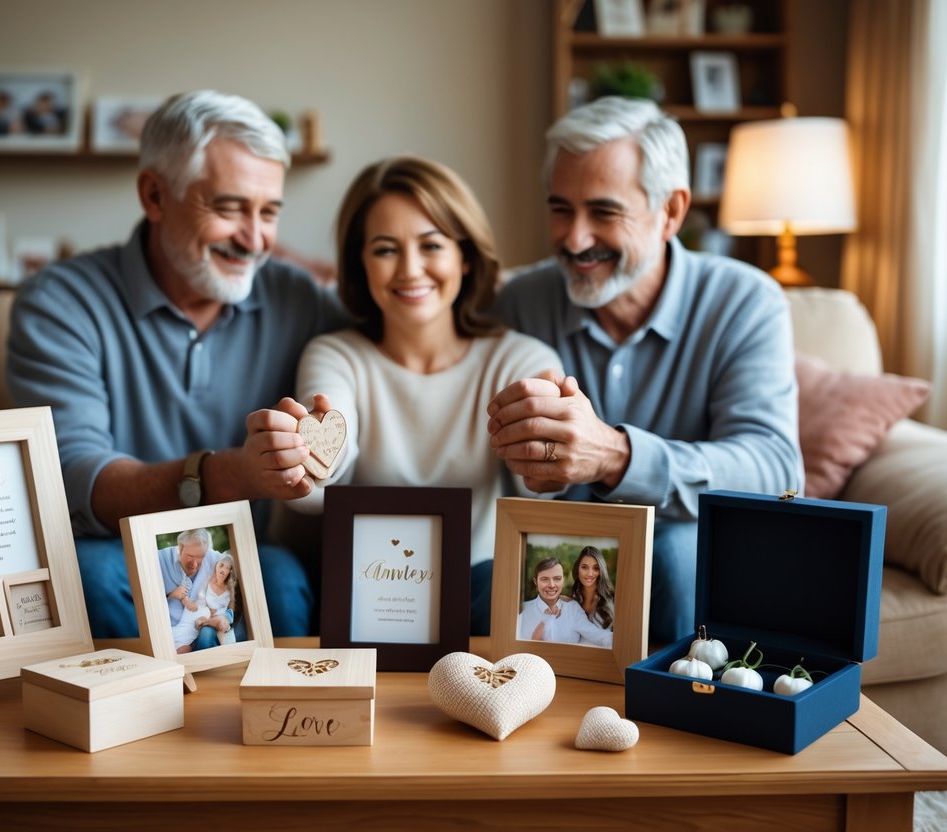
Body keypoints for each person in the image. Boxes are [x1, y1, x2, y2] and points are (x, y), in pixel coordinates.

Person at [7, 90, 348, 639]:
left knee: (280, 581)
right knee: (92, 578)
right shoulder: (60, 300)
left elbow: (393, 340)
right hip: (109, 549)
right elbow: (73, 474)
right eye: (231, 207)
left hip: (241, 547)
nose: (256, 239)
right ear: (154, 194)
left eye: (269, 213)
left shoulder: (298, 298)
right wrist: (233, 473)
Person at [487, 96, 803, 643]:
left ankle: (679, 717)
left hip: (683, 557)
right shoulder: (520, 302)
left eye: (604, 213)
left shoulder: (745, 301)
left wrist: (616, 456)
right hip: (556, 554)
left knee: (677, 553)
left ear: (672, 212)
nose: (575, 238)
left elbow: (776, 468)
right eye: (560, 208)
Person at [290, 155, 562, 635]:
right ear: (360, 262)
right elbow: (322, 474)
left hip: (477, 581)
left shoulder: (518, 360)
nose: (410, 270)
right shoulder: (335, 355)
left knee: (500, 586)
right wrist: (310, 463)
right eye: (385, 249)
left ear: (466, 256)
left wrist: (548, 455)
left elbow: (541, 486)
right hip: (366, 582)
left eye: (431, 245)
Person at [158, 528, 229, 651]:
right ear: (180, 547)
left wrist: (223, 615)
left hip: (202, 624)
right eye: (190, 556)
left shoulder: (216, 560)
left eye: (200, 558)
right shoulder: (159, 558)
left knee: (204, 636)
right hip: (170, 629)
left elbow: (235, 561)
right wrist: (170, 594)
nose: (195, 564)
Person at [516, 557, 612, 647]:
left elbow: (597, 635)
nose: (552, 585)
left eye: (557, 579)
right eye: (545, 579)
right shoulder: (521, 610)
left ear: (563, 580)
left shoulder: (573, 609)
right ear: (535, 581)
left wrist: (621, 640)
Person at [173, 552, 238, 652]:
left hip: (217, 616)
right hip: (203, 611)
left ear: (230, 571)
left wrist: (214, 616)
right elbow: (200, 596)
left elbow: (227, 610)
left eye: (227, 568)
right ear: (216, 565)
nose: (223, 570)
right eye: (221, 565)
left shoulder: (229, 589)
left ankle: (204, 624)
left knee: (221, 622)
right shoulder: (208, 580)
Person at [568, 546, 614, 631]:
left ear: (601, 571)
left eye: (596, 568)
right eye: (584, 567)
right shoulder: (571, 602)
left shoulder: (612, 602)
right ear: (577, 569)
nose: (590, 573)